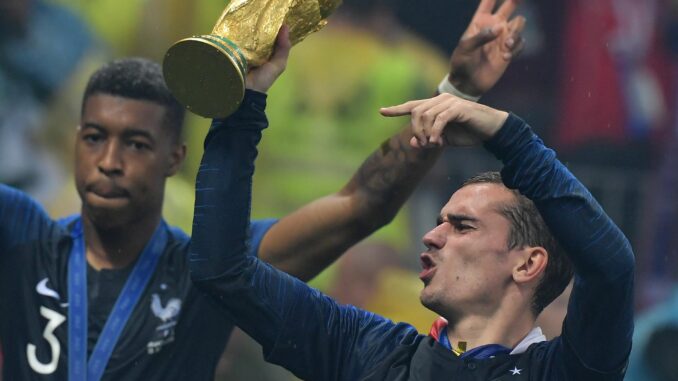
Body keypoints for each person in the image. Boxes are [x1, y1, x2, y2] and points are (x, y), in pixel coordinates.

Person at [0, 0, 525, 379]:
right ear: (74, 144)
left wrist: (454, 95)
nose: (109, 162)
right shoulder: (24, 235)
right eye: (94, 138)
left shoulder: (208, 267)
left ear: (175, 158)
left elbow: (360, 204)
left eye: (136, 144)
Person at [188, 46, 635, 381]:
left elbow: (611, 267)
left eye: (462, 226)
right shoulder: (365, 350)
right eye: (441, 220)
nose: (430, 236)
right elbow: (223, 271)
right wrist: (243, 105)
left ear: (528, 263)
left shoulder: (563, 373)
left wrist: (510, 136)